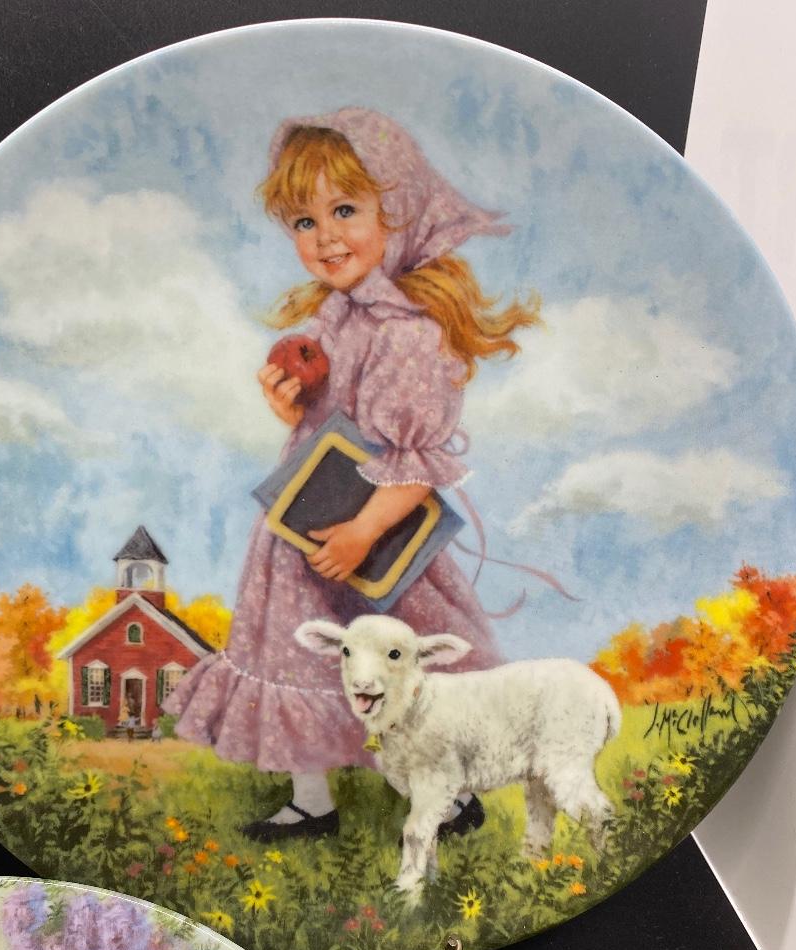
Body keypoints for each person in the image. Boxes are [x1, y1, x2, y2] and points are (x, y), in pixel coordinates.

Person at [162, 107, 539, 841]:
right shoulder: (337, 318)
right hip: (306, 534)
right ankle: (313, 802)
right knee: (298, 658)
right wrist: (292, 405)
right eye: (304, 222)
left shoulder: (408, 334)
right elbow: (330, 423)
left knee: (398, 661)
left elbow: (418, 465)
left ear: (398, 209)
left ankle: (447, 797)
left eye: (344, 210)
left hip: (374, 537)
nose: (325, 236)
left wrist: (365, 531)